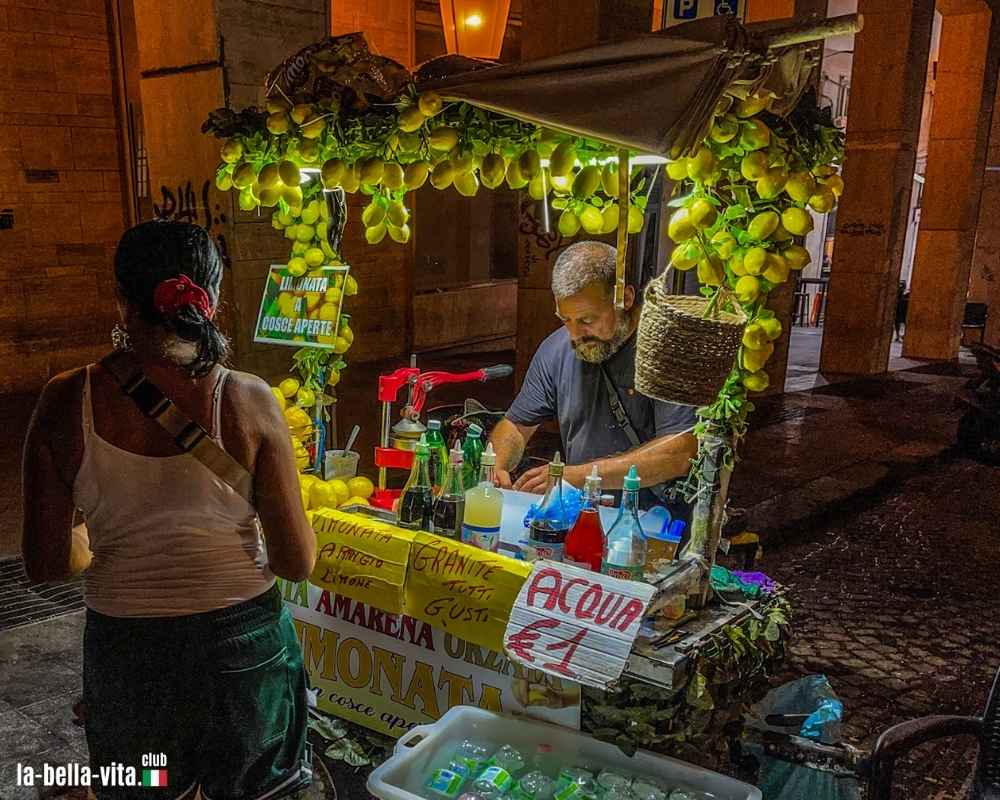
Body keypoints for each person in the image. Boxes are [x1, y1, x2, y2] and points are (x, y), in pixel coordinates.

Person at [21, 220, 317, 800]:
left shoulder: (64, 400)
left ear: (122, 301)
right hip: (244, 652)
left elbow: (47, 563)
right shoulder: (249, 399)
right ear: (210, 297)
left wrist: (93, 535)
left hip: (130, 654)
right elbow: (296, 561)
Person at [490, 241, 698, 508]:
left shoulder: (666, 351)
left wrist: (576, 476)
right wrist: (496, 465)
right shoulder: (556, 350)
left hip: (652, 520)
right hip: (582, 513)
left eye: (587, 320)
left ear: (625, 298)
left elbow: (681, 451)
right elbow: (516, 425)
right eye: (565, 319)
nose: (575, 335)